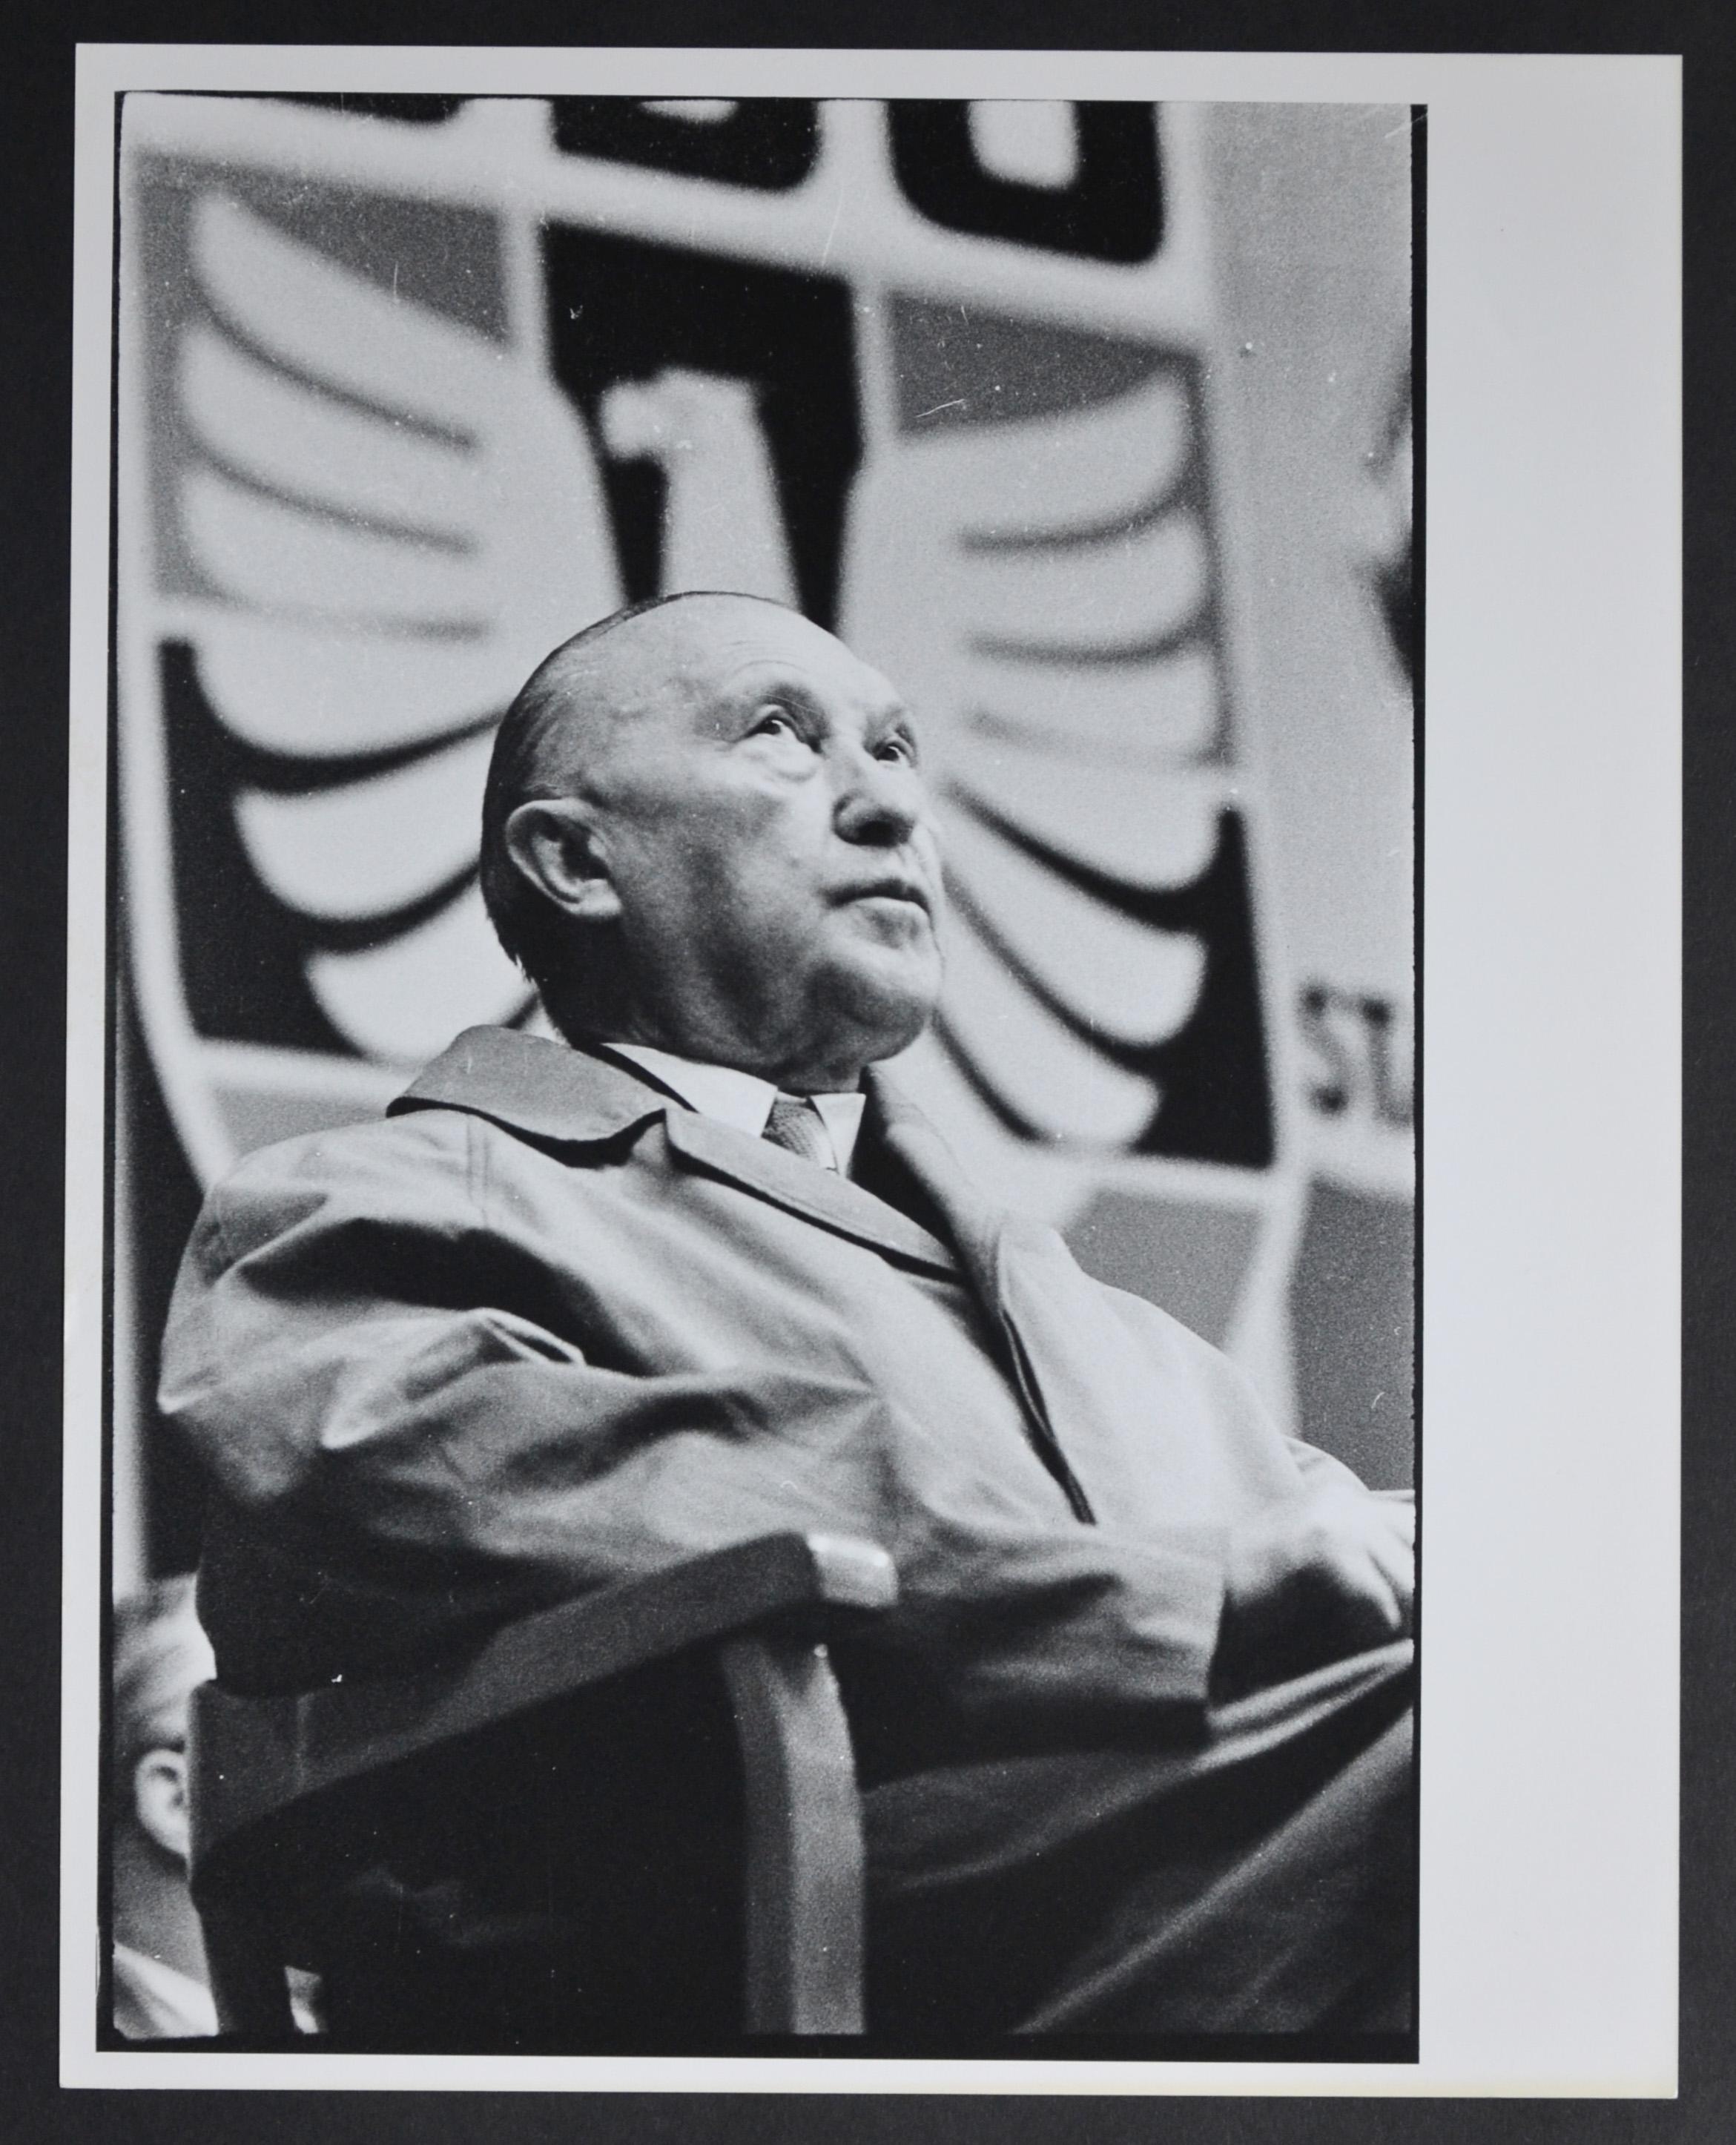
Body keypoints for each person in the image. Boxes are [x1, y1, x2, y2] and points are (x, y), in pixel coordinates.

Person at [159, 590, 1415, 2047]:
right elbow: (397, 1484)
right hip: (763, 1948)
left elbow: (1328, 1546)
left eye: (896, 749)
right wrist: (1182, 1595)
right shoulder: (373, 1205)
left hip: (1221, 1864)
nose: (890, 806)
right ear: (573, 859)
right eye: (782, 736)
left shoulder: (1096, 1323)